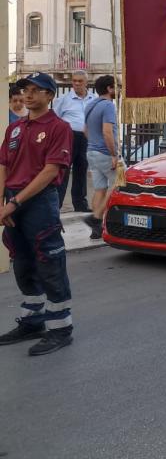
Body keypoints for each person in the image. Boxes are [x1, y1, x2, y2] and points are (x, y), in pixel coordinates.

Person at [0, 72, 75, 356]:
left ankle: (60, 328)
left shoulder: (59, 127)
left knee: (49, 263)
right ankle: (33, 321)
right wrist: (2, 203)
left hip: (39, 202)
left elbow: (50, 171)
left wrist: (13, 204)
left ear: (50, 95)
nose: (29, 95)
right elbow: (3, 165)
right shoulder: (15, 128)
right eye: (25, 90)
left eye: (36, 90)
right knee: (22, 263)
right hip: (13, 202)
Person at [53, 69, 96, 212]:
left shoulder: (94, 99)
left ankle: (80, 204)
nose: (77, 84)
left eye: (80, 81)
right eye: (74, 81)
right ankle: (56, 204)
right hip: (68, 137)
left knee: (81, 169)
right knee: (63, 170)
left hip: (86, 138)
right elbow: (55, 120)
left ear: (86, 83)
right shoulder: (63, 100)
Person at [83, 75, 118, 240]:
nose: (120, 90)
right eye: (117, 86)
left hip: (91, 151)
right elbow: (107, 132)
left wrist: (94, 144)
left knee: (100, 189)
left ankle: (95, 230)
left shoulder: (90, 105)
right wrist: (113, 154)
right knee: (119, 183)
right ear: (109, 89)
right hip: (105, 153)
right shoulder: (108, 105)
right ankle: (96, 217)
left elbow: (85, 130)